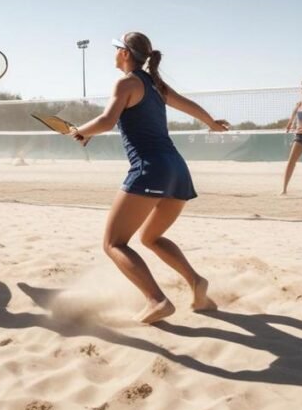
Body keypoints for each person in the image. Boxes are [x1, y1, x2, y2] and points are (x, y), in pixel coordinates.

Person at [70, 32, 229, 324]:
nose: (115, 53)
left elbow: (106, 121)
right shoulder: (155, 84)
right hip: (177, 170)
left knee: (113, 243)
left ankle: (157, 300)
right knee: (150, 237)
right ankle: (196, 282)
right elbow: (188, 106)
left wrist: (80, 130)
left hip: (150, 168)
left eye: (117, 49)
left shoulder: (127, 82)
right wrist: (212, 124)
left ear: (126, 54)